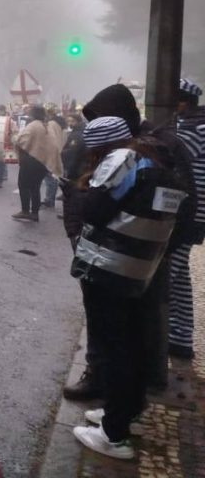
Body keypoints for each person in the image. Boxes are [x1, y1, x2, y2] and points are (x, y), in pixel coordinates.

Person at [70, 116, 185, 460]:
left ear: (101, 146)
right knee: (132, 344)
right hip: (139, 270)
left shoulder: (121, 160)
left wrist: (78, 192)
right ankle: (123, 412)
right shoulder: (157, 163)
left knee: (114, 349)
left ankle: (113, 435)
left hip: (108, 268)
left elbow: (94, 211)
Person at [62, 83, 144, 401]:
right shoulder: (131, 152)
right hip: (109, 253)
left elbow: (95, 208)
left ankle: (111, 397)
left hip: (116, 257)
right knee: (113, 327)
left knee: (114, 329)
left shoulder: (126, 156)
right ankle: (114, 389)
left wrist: (78, 201)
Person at [169, 77, 205, 359]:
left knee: (164, 274)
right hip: (193, 215)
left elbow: (169, 158)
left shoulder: (196, 130)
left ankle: (155, 335)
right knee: (179, 278)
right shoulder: (192, 126)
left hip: (189, 216)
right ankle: (180, 338)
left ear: (183, 102)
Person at [13, 105, 56, 222]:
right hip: (43, 161)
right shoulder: (47, 126)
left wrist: (15, 140)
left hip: (30, 160)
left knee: (23, 185)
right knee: (35, 187)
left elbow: (21, 140)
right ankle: (35, 213)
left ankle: (25, 211)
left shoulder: (33, 125)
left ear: (33, 113)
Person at [41, 104, 66, 211]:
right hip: (59, 151)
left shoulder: (51, 124)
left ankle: (49, 200)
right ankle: (50, 199)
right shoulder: (60, 123)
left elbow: (50, 139)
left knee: (50, 178)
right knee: (54, 177)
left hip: (51, 153)